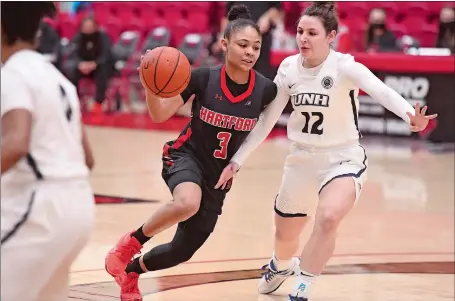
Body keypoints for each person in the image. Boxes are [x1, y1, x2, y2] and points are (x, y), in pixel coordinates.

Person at [215, 2, 438, 301]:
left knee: (329, 217)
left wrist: (410, 114)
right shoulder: (289, 68)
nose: (303, 38)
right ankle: (280, 266)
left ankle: (303, 286)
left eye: (312, 33)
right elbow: (268, 119)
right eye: (299, 31)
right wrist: (238, 159)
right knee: (285, 237)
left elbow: (379, 89)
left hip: (342, 158)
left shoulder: (344, 66)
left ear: (331, 36)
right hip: (301, 160)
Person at [104, 4, 278, 301]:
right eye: (243, 45)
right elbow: (160, 114)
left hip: (218, 178)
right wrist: (149, 83)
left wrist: (237, 162)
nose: (250, 52)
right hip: (185, 156)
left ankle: (131, 272)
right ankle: (130, 243)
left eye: (256, 47)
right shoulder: (202, 78)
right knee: (187, 202)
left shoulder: (266, 91)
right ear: (224, 45)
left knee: (182, 251)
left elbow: (264, 131)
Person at [1, 2, 95, 301]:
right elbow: (88, 158)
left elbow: (17, 141)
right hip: (79, 209)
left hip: (39, 211)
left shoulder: (13, 74)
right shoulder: (60, 80)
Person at [65, 15, 113, 114]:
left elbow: (106, 55)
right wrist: (79, 64)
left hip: (98, 66)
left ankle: (98, 103)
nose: (87, 29)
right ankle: (74, 100)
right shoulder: (78, 37)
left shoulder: (102, 37)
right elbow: (73, 54)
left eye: (90, 27)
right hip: (83, 67)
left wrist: (95, 63)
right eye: (85, 27)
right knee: (71, 70)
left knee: (102, 72)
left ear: (95, 27)